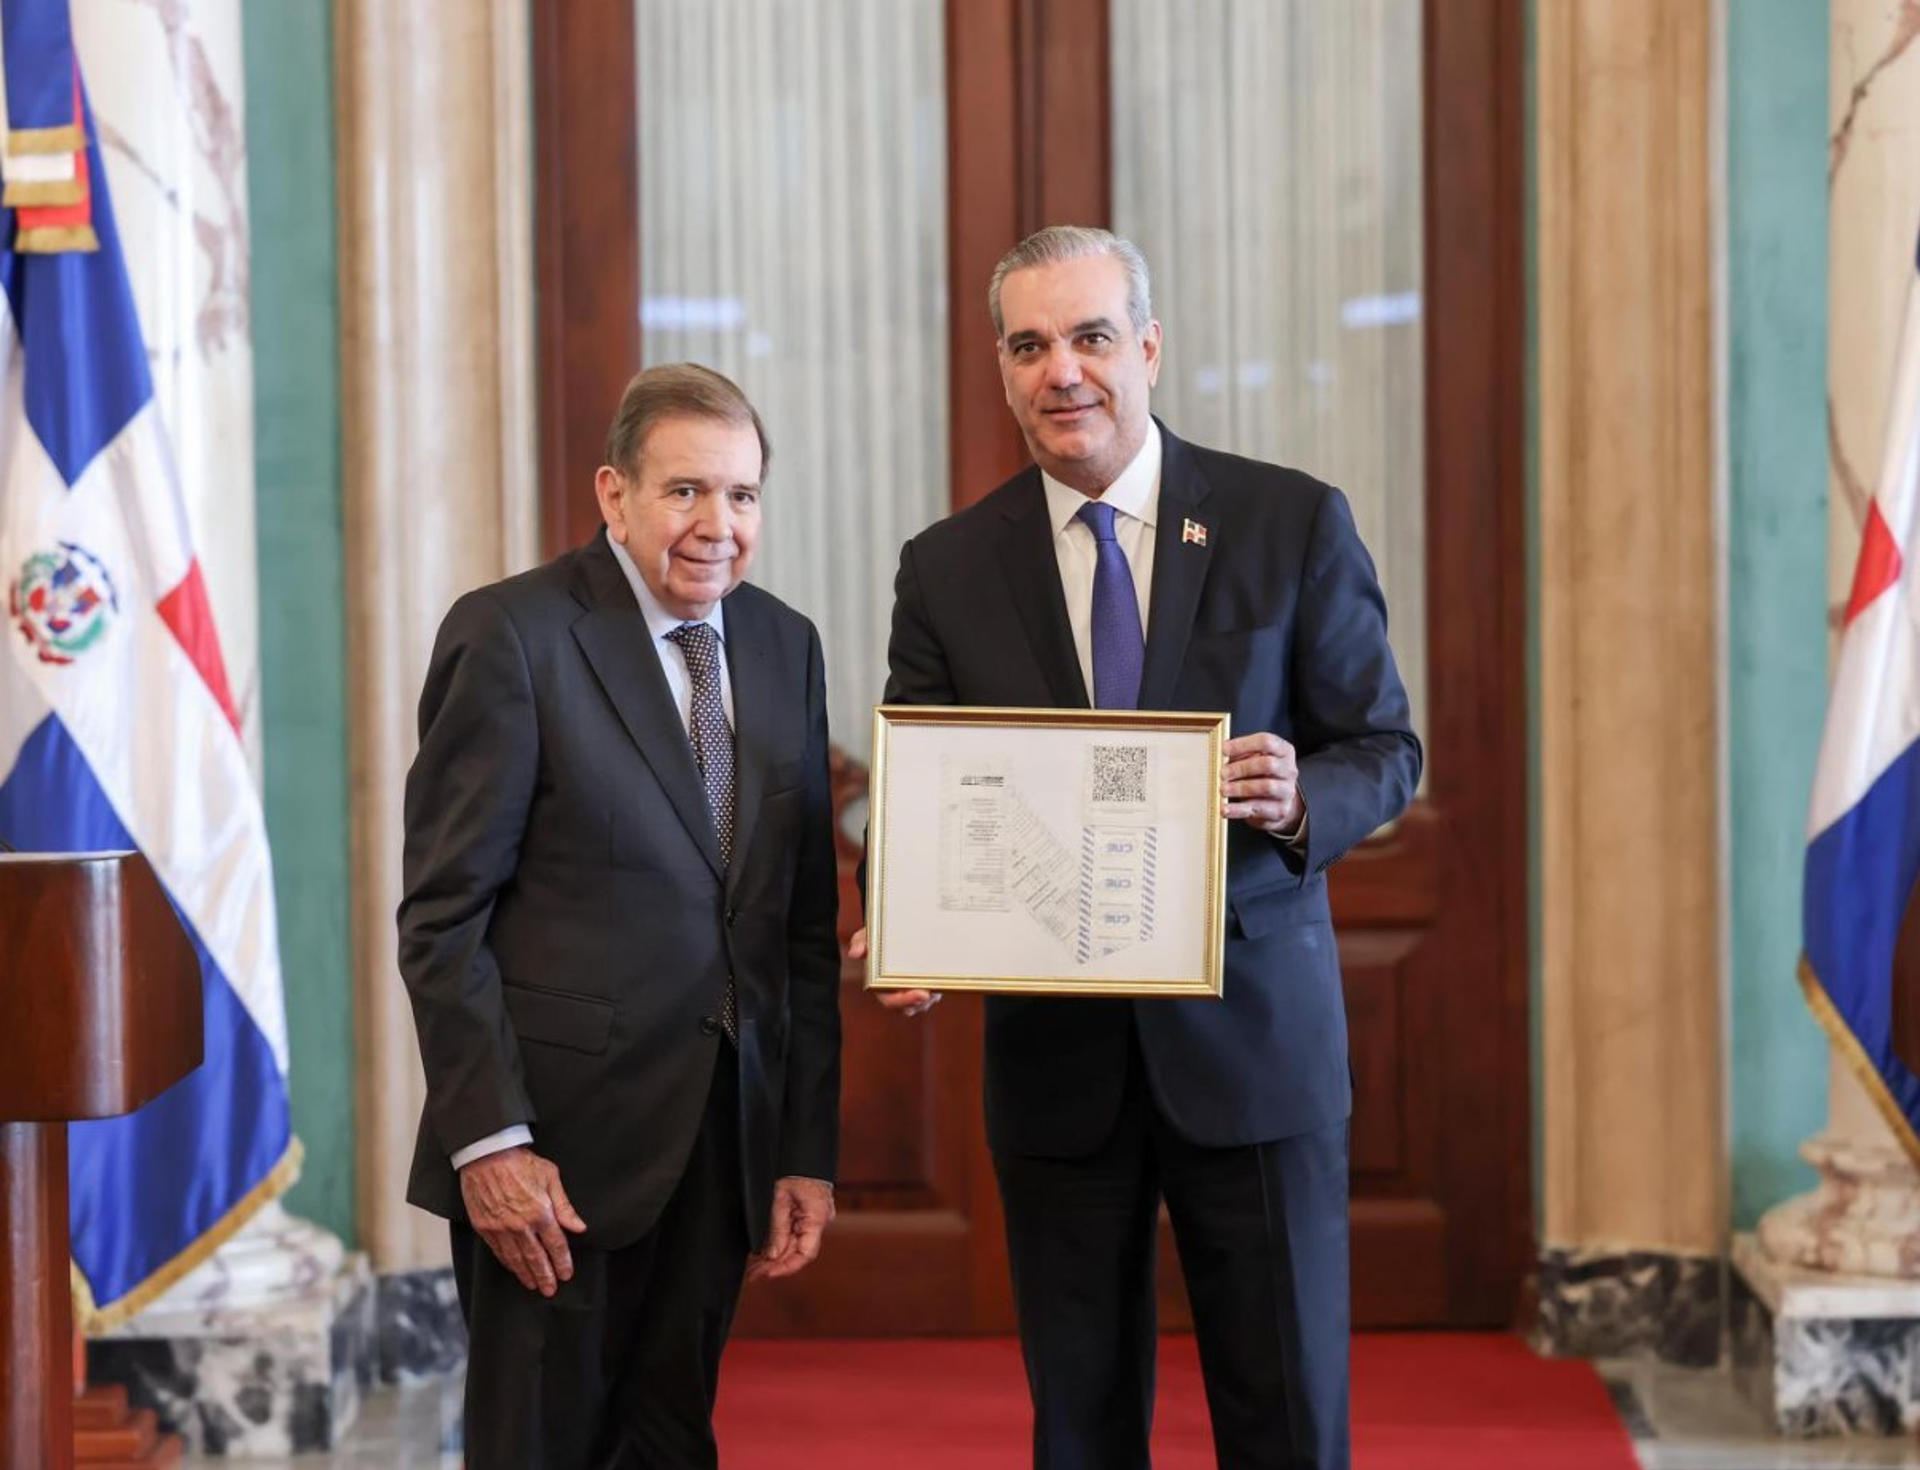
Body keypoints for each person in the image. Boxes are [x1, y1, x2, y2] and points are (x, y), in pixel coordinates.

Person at [857, 226, 1420, 1469]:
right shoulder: (948, 568)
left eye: (1093, 337)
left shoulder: (1289, 522)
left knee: (1286, 1416)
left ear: (1149, 349)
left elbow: (1384, 746)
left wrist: (1296, 796)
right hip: (1060, 1071)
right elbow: (926, 787)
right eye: (1031, 344)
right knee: (1081, 1424)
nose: (1065, 371)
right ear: (1003, 371)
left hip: (1255, 1046)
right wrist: (897, 914)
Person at [397, 363, 842, 1470]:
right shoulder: (514, 636)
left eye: (741, 496)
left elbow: (796, 928)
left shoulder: (786, 646)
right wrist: (491, 1141)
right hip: (555, 1161)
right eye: (685, 491)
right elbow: (443, 918)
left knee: (670, 1444)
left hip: (719, 1148)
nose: (717, 525)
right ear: (613, 494)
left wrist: (803, 1148)